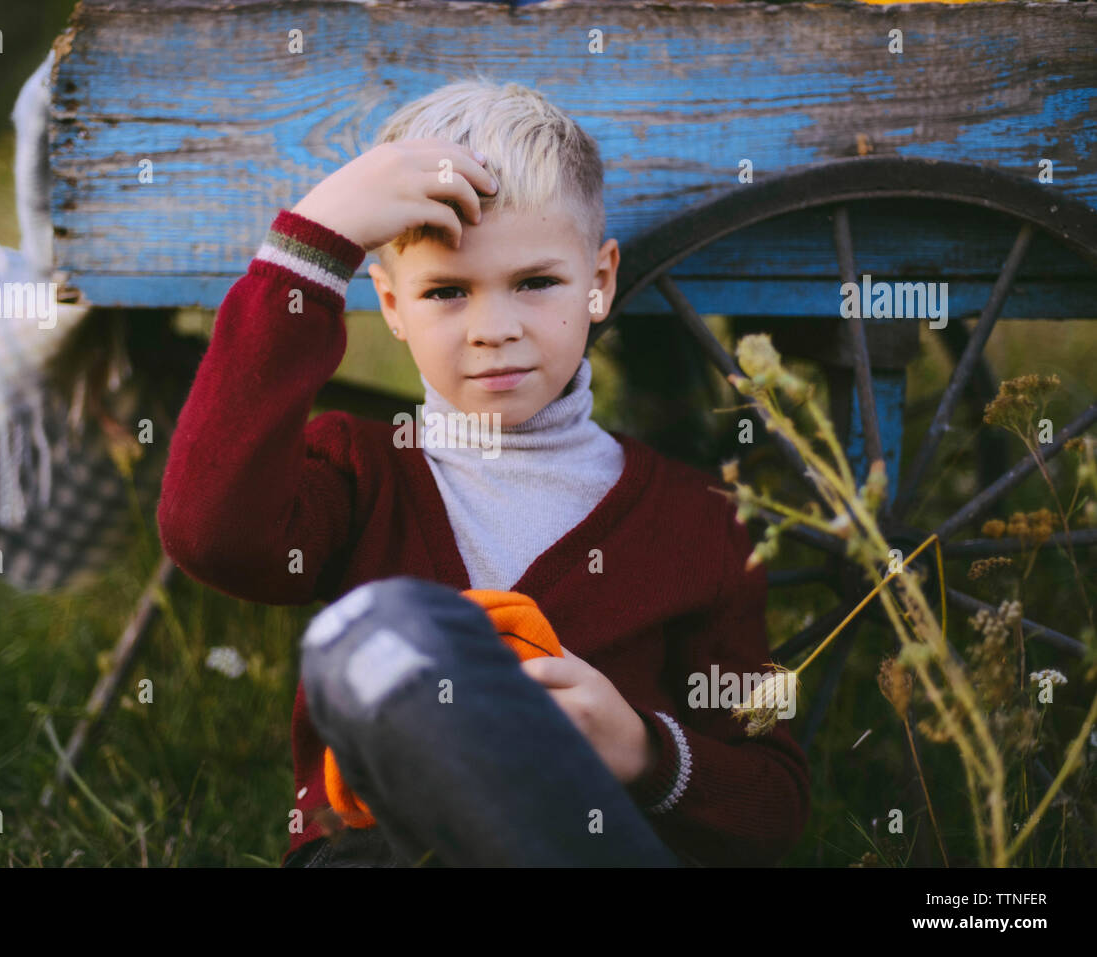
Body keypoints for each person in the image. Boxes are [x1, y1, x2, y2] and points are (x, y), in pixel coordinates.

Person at [156, 76, 810, 867]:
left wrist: (643, 750)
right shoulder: (362, 473)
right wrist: (316, 241)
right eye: (447, 292)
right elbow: (208, 531)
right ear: (392, 307)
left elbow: (775, 806)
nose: (494, 329)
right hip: (387, 853)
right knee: (372, 635)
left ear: (599, 282)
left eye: (536, 283)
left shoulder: (696, 522)